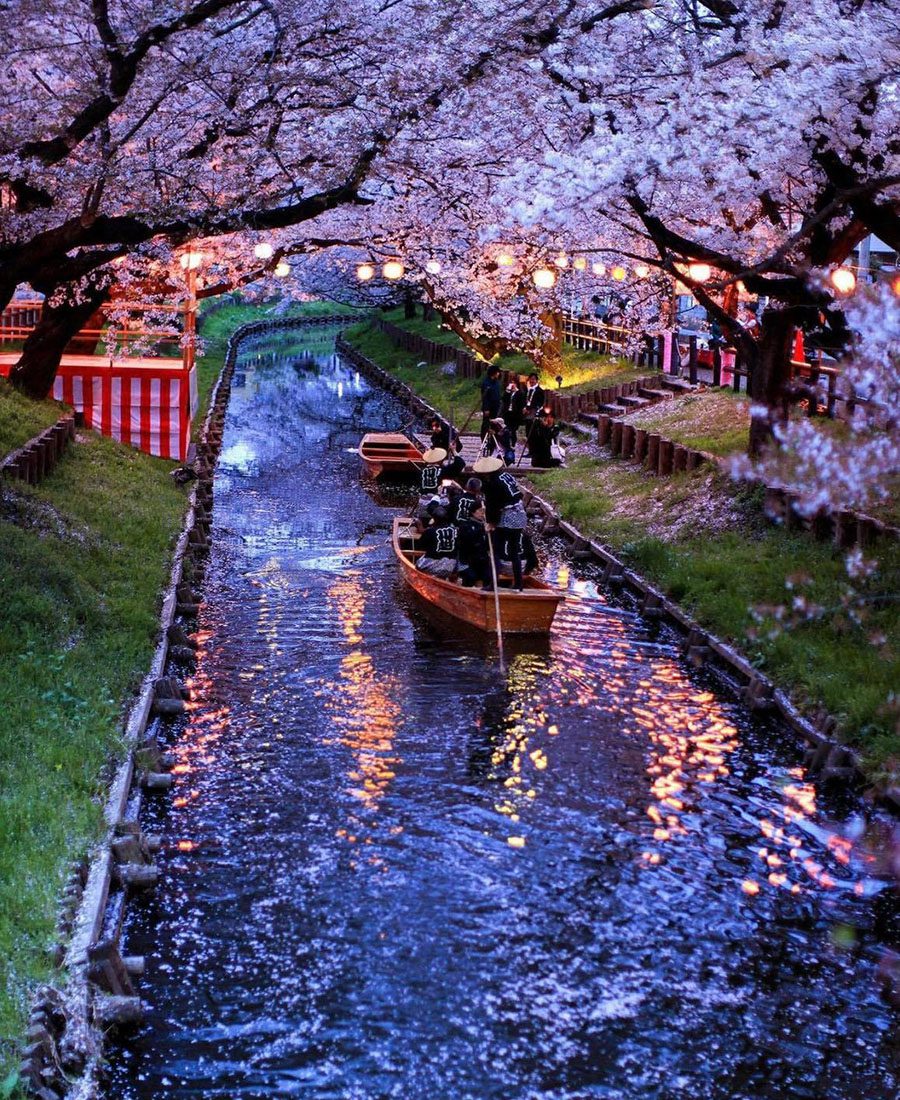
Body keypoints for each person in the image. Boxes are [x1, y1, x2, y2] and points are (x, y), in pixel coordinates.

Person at [474, 456, 527, 590]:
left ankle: (493, 584)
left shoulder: (492, 484)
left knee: (495, 550)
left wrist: (491, 523)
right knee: (514, 551)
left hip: (507, 516)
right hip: (520, 514)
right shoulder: (506, 475)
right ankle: (519, 584)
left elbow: (493, 506)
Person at [456, 505, 494, 589]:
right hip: (467, 560)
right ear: (473, 512)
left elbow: (488, 545)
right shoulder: (465, 525)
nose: (483, 513)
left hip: (481, 559)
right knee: (470, 577)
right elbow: (467, 542)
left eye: (484, 511)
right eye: (480, 511)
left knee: (487, 576)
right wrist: (482, 531)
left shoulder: (484, 525)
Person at [415, 506, 459, 579]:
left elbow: (420, 546)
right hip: (451, 565)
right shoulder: (456, 530)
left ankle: (427, 578)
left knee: (418, 565)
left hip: (435, 565)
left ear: (434, 519)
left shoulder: (429, 531)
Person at [480, 365, 502, 441]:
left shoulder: (496, 382)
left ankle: (493, 440)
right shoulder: (486, 383)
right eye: (497, 372)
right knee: (486, 424)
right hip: (489, 407)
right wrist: (486, 408)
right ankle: (484, 439)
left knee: (495, 423)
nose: (498, 374)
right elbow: (485, 397)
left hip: (496, 406)